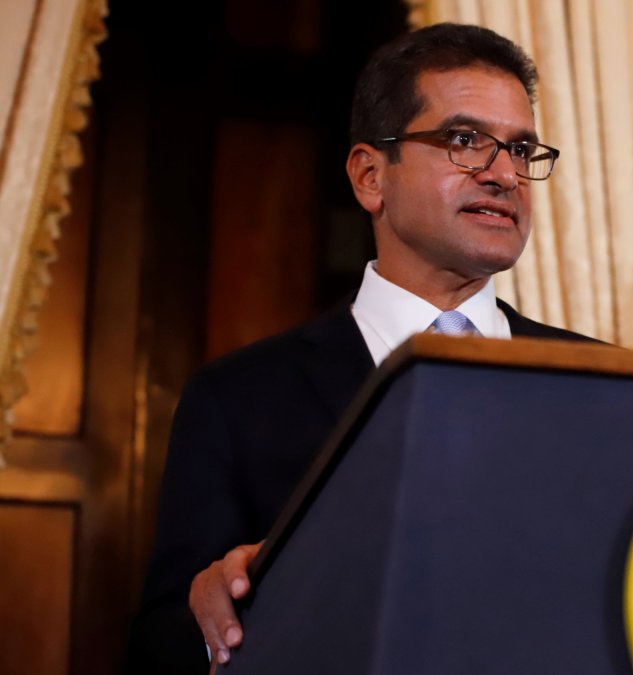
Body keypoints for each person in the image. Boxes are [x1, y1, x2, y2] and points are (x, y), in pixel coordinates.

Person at [127, 23, 598, 673]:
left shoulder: (596, 382)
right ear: (370, 175)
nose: (503, 174)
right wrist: (218, 612)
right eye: (465, 141)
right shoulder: (237, 398)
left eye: (520, 150)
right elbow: (162, 643)